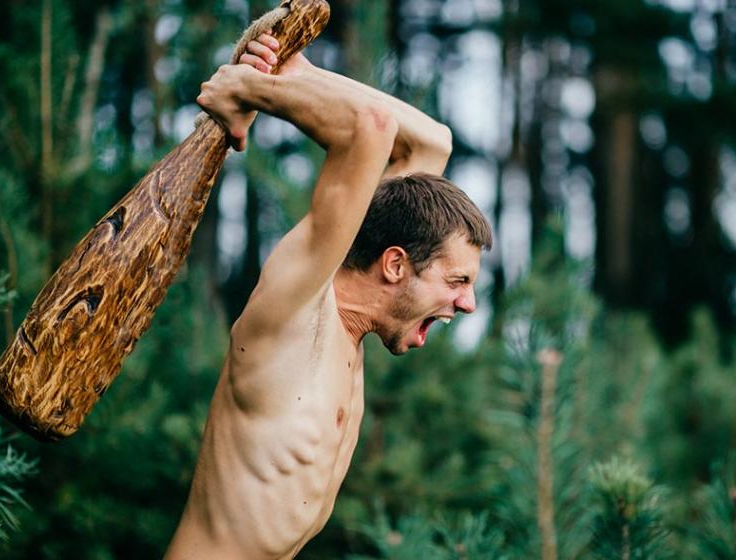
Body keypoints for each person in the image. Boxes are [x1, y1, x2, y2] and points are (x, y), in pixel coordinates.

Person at [164, 32, 492, 559]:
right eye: (457, 282)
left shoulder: (353, 329)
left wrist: (303, 77)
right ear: (394, 264)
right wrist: (245, 89)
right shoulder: (297, 309)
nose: (468, 304)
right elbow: (373, 128)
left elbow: (432, 142)